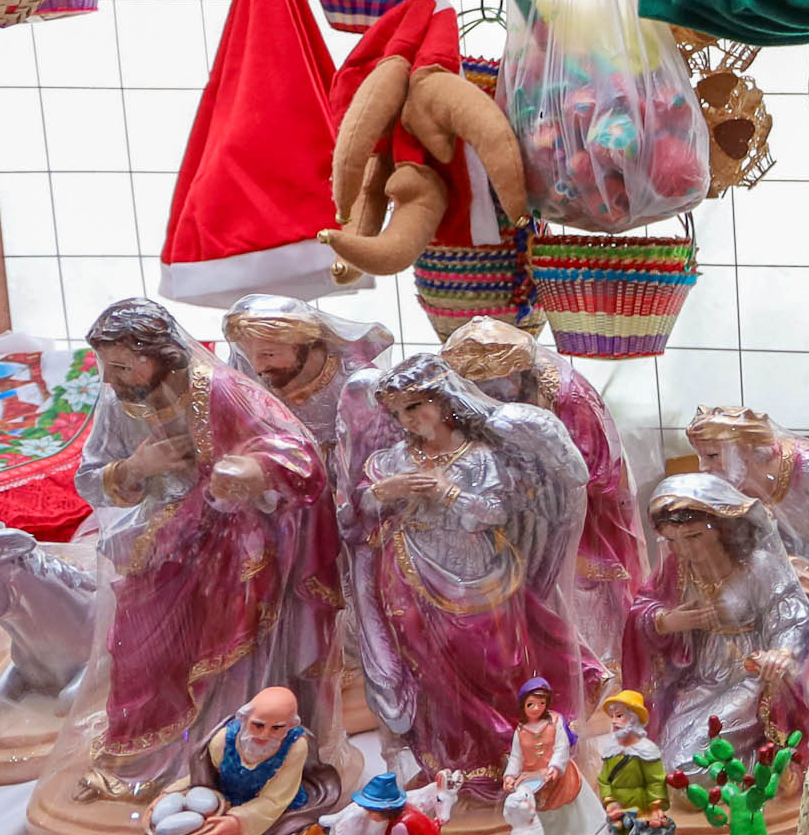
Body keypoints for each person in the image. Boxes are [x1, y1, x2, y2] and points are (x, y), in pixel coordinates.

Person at [73, 301, 329, 798]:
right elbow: (89, 479)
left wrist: (252, 470)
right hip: (157, 547)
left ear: (160, 355)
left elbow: (296, 451)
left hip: (232, 547)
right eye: (106, 366)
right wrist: (134, 469)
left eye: (123, 365)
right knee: (137, 652)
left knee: (224, 658)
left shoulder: (220, 389)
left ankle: (218, 762)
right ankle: (138, 763)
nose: (111, 378)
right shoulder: (118, 403)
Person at [347, 357, 587, 791]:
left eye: (418, 405)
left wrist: (447, 491)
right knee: (427, 669)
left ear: (444, 401)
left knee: (496, 660)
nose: (410, 418)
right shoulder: (394, 458)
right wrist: (387, 490)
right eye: (400, 411)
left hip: (480, 573)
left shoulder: (479, 458)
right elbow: (360, 509)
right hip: (409, 569)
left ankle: (504, 754)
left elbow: (495, 513)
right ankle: (449, 758)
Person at [440, 319, 647, 701]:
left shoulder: (567, 396)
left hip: (585, 517)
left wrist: (534, 484)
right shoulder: (479, 405)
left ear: (517, 376)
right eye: (475, 390)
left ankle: (602, 674)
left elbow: (594, 471)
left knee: (584, 591)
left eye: (491, 387)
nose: (485, 397)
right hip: (512, 515)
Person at [221, 297, 392, 697]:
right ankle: (296, 661)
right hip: (281, 499)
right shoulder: (249, 373)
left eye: (269, 353)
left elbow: (373, 451)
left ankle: (357, 663)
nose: (259, 365)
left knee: (354, 582)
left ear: (304, 342)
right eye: (249, 354)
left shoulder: (354, 380)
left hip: (344, 493)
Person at [632, 473, 809, 769]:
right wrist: (667, 621)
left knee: (687, 766)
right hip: (699, 678)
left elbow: (792, 616)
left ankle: (762, 763)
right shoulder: (676, 568)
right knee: (662, 760)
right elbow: (643, 608)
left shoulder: (758, 566)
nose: (684, 550)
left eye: (694, 536)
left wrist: (781, 654)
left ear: (723, 528)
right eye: (672, 540)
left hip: (748, 676)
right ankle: (748, 766)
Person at [152, 685, 341, 835]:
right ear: (245, 718)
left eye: (277, 728)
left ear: (291, 725)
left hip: (277, 817)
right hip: (226, 807)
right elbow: (202, 778)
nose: (264, 735)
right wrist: (167, 795)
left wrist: (238, 822)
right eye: (258, 725)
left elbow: (276, 799)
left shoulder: (295, 746)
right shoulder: (222, 742)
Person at [685, 406, 809, 607]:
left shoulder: (806, 467)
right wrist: (779, 569)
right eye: (700, 456)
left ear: (744, 448)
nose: (702, 467)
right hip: (773, 590)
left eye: (712, 455)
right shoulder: (723, 491)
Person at [499, 675, 606, 835]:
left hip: (557, 775)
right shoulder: (521, 730)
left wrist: (556, 767)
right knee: (545, 816)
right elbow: (516, 756)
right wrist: (509, 776)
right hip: (533, 780)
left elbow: (561, 747)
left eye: (541, 703)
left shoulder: (555, 722)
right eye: (531, 704)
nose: (536, 708)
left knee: (568, 811)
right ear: (523, 705)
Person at [595, 690, 673, 835]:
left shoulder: (646, 751)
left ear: (634, 718)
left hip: (640, 811)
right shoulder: (612, 750)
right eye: (613, 717)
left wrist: (656, 808)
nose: (614, 721)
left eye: (619, 715)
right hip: (618, 812)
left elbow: (656, 781)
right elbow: (603, 780)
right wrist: (609, 802)